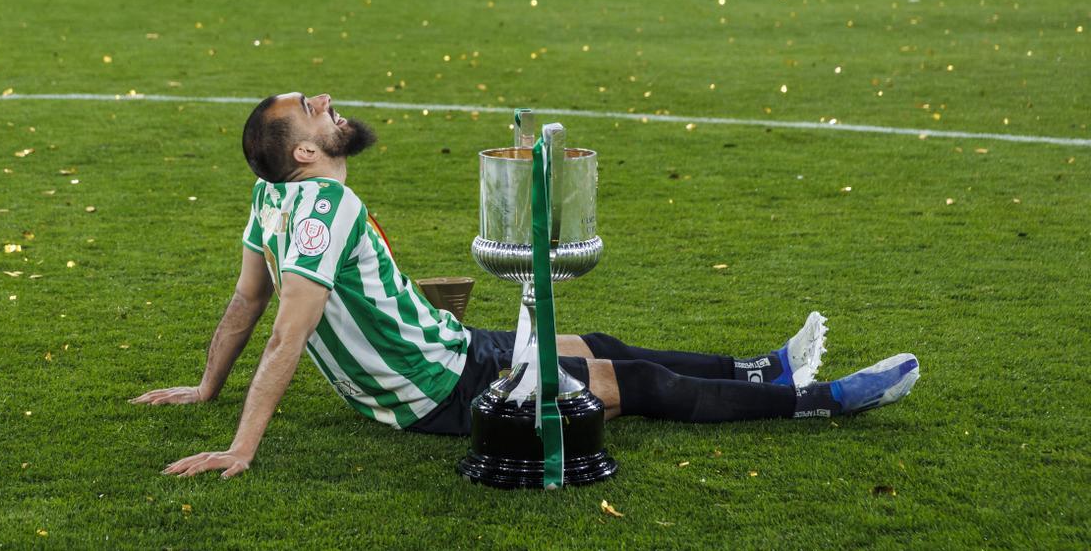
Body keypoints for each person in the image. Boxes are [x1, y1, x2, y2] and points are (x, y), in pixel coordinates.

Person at [132, 92, 920, 479]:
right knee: (634, 383)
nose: (325, 103)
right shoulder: (322, 207)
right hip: (440, 386)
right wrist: (240, 444)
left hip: (448, 349)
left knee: (602, 346)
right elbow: (282, 330)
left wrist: (205, 389)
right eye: (310, 111)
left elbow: (245, 299)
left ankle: (767, 367)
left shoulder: (271, 195)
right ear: (302, 152)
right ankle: (825, 400)